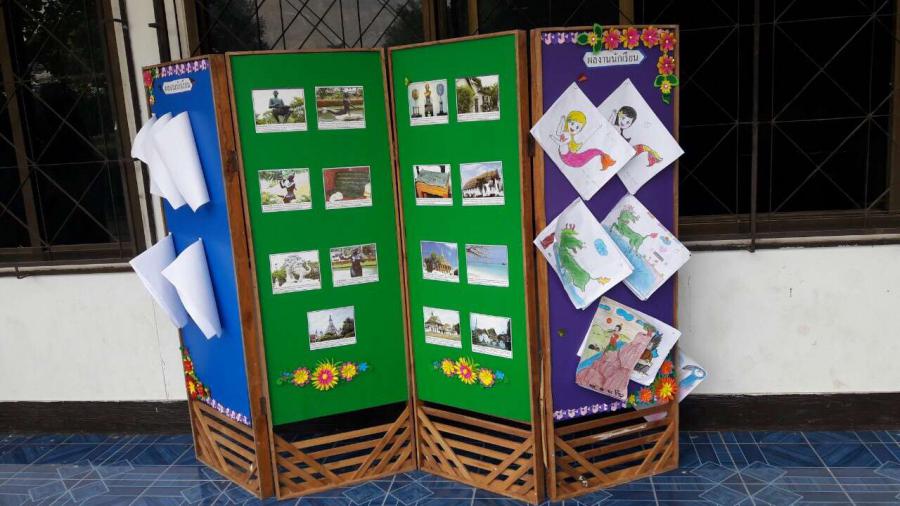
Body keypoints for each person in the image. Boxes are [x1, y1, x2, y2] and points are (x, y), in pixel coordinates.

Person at [551, 110, 615, 170]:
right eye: (572, 124)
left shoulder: (569, 137)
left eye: (577, 127)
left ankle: (605, 158)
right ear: (568, 122)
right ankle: (603, 156)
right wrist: (562, 120)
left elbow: (560, 143)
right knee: (590, 151)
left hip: (570, 160)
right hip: (567, 158)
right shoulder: (565, 132)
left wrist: (552, 138)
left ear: (579, 130)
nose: (573, 128)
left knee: (591, 151)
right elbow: (558, 132)